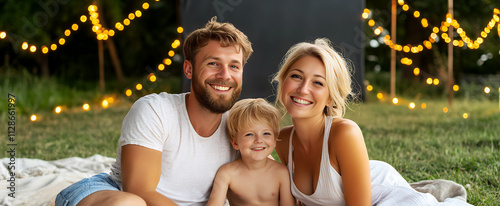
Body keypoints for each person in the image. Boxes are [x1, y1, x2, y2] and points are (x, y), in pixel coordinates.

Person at [55, 16, 253, 206]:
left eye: (234, 66)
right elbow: (140, 191)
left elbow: (268, 173)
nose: (225, 75)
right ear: (189, 69)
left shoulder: (240, 124)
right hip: (114, 193)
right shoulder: (155, 110)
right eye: (213, 63)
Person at [272, 38, 472, 206]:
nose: (303, 89)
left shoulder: (344, 133)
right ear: (283, 81)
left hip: (392, 199)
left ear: (331, 97)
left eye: (318, 82)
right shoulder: (283, 140)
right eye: (296, 76)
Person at [206, 98, 295, 206]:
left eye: (266, 133)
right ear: (235, 143)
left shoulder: (281, 172)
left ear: (275, 139)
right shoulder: (227, 173)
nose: (259, 140)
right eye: (249, 134)